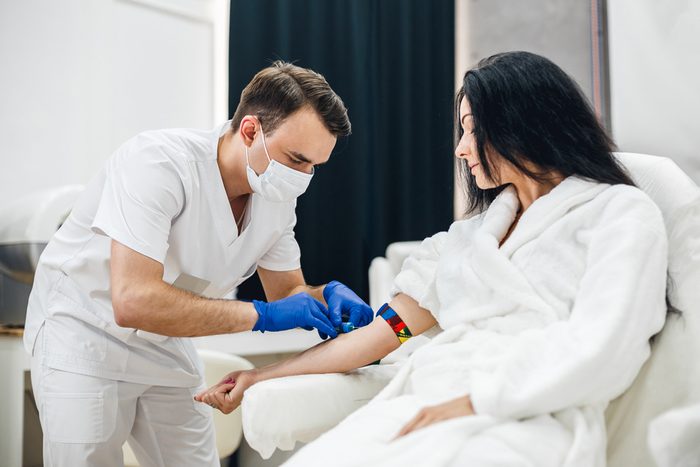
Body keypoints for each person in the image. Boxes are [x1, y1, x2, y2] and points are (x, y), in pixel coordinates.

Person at [196, 51, 669, 467]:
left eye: (470, 129)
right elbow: (384, 335)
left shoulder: (619, 214)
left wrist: (477, 401)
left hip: (526, 411)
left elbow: (607, 342)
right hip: (430, 396)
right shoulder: (463, 244)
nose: (460, 149)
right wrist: (259, 376)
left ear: (522, 122)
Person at [24, 61, 374, 467]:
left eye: (314, 165)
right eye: (296, 159)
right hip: (84, 330)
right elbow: (133, 300)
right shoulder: (158, 163)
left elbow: (287, 294)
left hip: (165, 339)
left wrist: (324, 294)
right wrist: (261, 315)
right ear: (250, 130)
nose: (304, 176)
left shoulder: (276, 197)